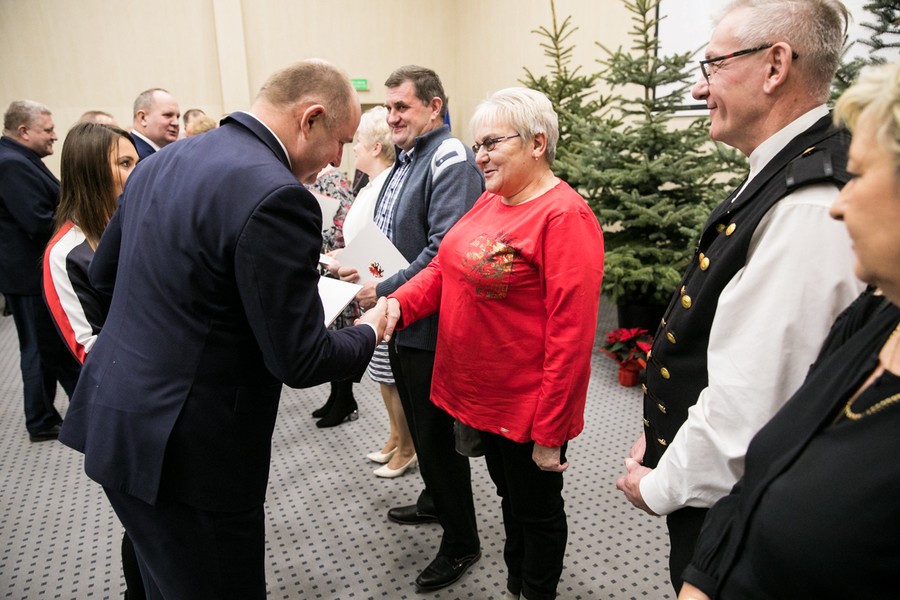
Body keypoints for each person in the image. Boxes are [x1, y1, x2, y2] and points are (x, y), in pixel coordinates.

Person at [57, 59, 387, 600]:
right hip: (191, 453)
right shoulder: (279, 194)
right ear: (310, 118)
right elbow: (301, 361)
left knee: (161, 580)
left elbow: (107, 274)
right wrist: (370, 329)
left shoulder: (160, 162)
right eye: (340, 142)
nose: (337, 159)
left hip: (117, 418)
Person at [615, 0, 864, 592]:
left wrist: (658, 486)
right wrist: (666, 436)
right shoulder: (790, 168)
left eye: (713, 66)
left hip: (742, 512)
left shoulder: (808, 205)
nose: (700, 89)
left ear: (775, 66)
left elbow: (752, 403)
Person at [678, 60, 900, 600]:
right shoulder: (874, 316)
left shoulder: (809, 208)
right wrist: (702, 579)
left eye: (859, 175)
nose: (838, 206)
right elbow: (766, 465)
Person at [384, 86, 604, 600]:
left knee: (536, 509)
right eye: (476, 144)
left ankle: (536, 590)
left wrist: (551, 431)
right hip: (480, 395)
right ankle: (516, 581)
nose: (479, 156)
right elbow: (444, 267)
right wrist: (398, 304)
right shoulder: (491, 199)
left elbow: (571, 338)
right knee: (509, 498)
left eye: (492, 143)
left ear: (537, 143)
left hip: (527, 405)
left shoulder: (564, 217)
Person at [341, 65, 484, 592]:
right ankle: (434, 500)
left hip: (432, 322)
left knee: (437, 436)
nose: (392, 116)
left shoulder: (449, 158)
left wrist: (381, 289)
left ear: (434, 106)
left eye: (402, 106)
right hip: (403, 316)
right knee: (422, 430)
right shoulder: (410, 157)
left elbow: (443, 251)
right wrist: (363, 271)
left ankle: (462, 541)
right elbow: (397, 238)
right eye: (389, 107)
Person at [42, 121, 145, 600]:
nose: (137, 170)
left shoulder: (137, 225)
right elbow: (89, 349)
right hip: (123, 411)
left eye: (135, 160)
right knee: (144, 531)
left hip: (169, 398)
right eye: (123, 163)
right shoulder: (66, 252)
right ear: (90, 173)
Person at [0, 100, 81, 442]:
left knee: (51, 347)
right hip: (28, 276)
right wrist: (80, 222)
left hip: (30, 273)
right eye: (47, 130)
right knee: (38, 350)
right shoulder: (11, 164)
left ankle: (76, 408)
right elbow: (37, 221)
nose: (54, 136)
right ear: (23, 131)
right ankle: (41, 419)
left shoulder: (20, 159)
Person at [344, 106, 416, 477]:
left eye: (359, 141)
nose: (353, 147)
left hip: (383, 288)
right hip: (368, 285)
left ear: (375, 147)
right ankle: (395, 437)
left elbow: (383, 243)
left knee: (391, 375)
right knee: (382, 374)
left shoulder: (386, 184)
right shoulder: (371, 184)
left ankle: (407, 447)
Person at [309, 164, 361, 428]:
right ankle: (336, 396)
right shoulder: (313, 178)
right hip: (324, 268)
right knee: (329, 333)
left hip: (337, 269)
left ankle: (345, 398)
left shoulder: (333, 180)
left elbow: (344, 227)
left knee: (339, 336)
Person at [129, 88, 180, 159]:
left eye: (177, 117)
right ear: (143, 118)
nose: (176, 123)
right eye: (168, 115)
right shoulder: (132, 155)